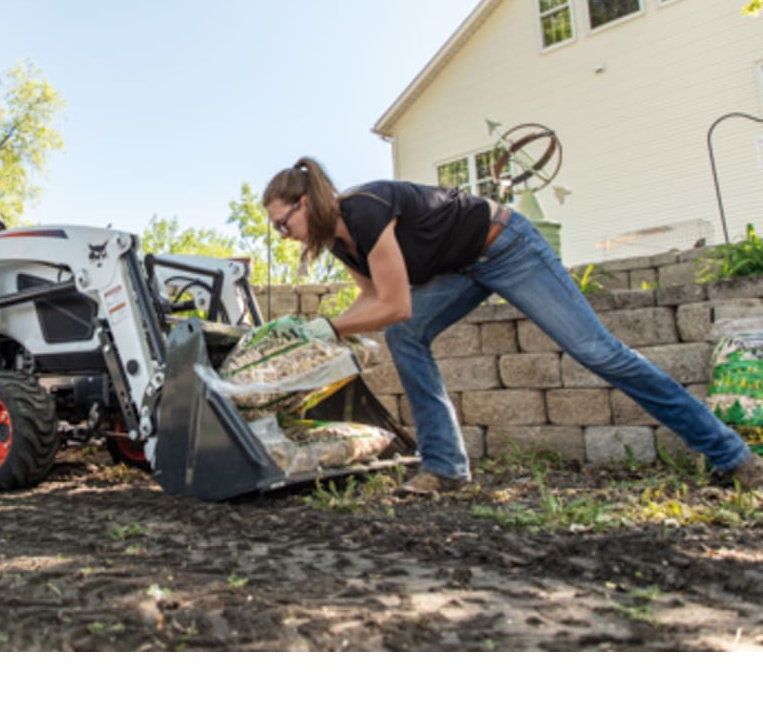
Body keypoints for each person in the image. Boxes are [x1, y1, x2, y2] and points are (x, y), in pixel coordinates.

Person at [263, 156, 763, 495]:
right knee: (405, 337)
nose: (285, 236)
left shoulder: (364, 210)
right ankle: (445, 467)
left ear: (305, 202)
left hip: (507, 246)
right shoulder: (340, 241)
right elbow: (371, 300)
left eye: (284, 224)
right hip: (461, 270)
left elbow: (395, 304)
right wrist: (314, 335)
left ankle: (732, 455)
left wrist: (327, 327)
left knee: (597, 351)